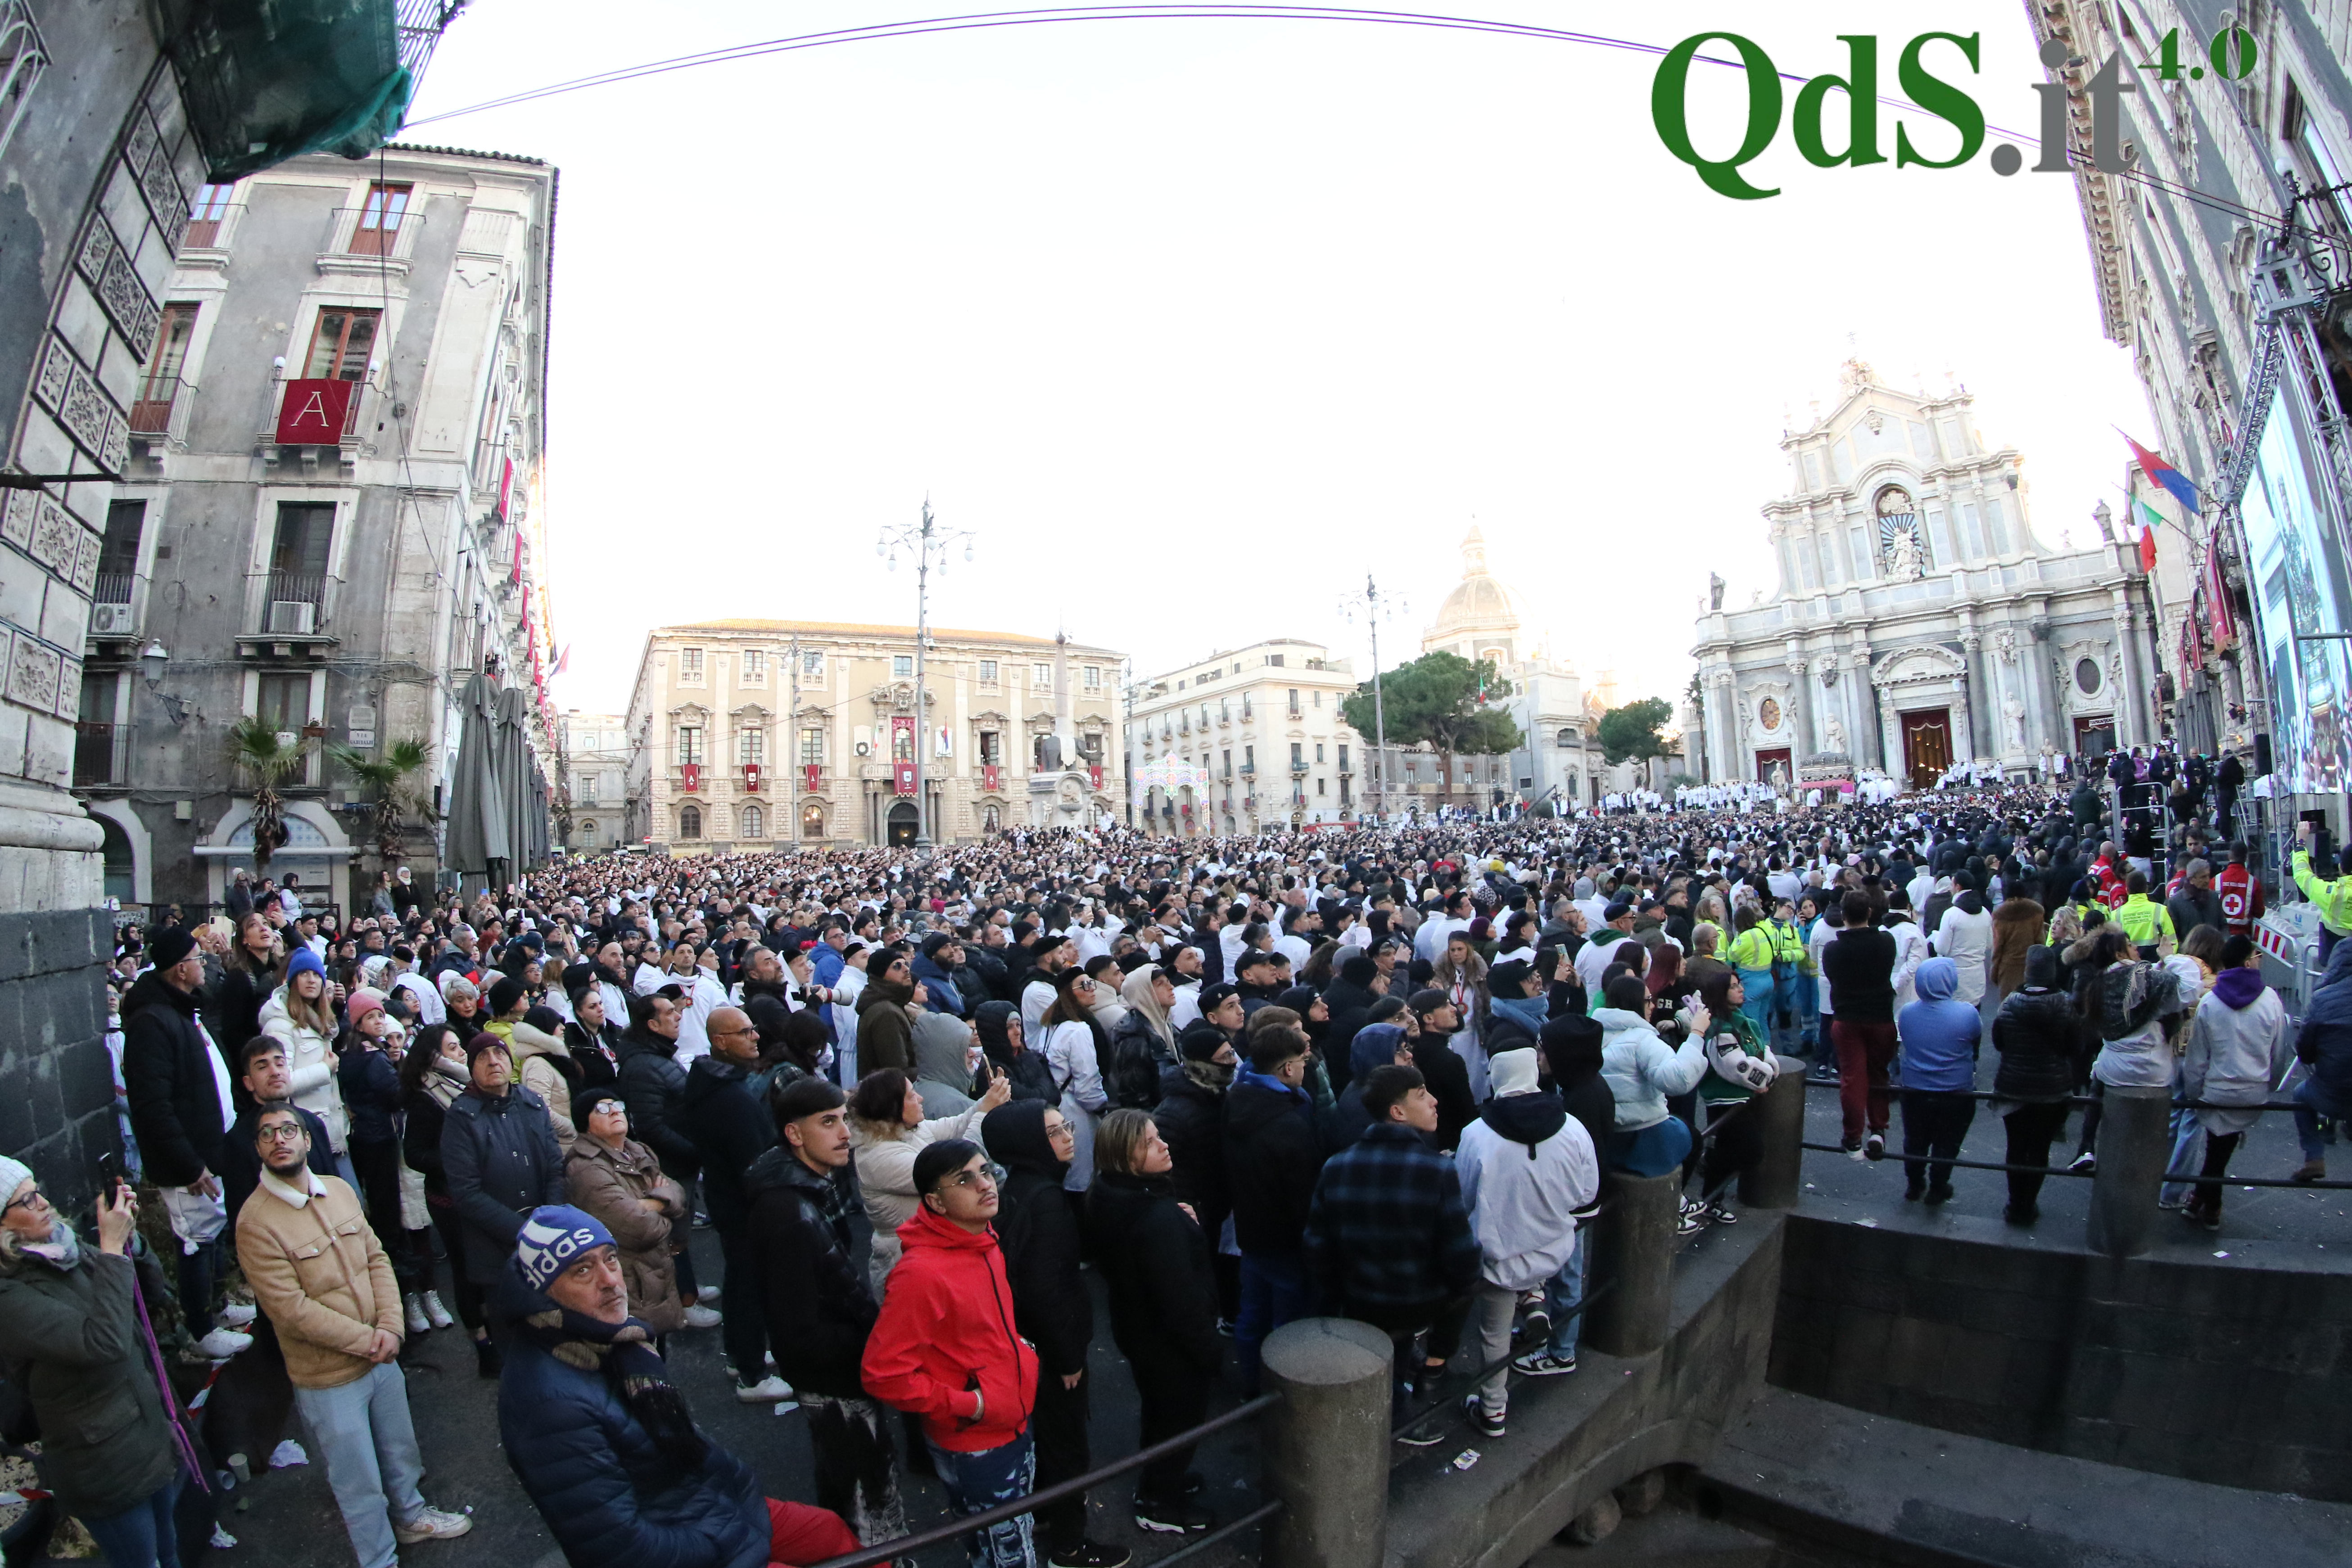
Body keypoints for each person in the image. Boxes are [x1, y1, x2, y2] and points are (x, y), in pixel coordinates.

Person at [496, 1206, 860, 1568]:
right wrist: (721, 1540)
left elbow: (689, 1450)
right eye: (582, 1270)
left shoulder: (601, 1333)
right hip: (689, 1543)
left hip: (702, 1509)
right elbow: (617, 1549)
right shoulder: (550, 1405)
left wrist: (739, 1495)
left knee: (829, 1531)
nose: (610, 1280)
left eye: (610, 1259)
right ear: (544, 1292)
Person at [237, 1106, 473, 1565]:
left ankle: (411, 1517)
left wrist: (390, 1325)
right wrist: (369, 1340)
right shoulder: (256, 1222)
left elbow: (377, 1259)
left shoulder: (341, 1192)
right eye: (268, 1134)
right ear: (258, 1149)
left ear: (308, 1140)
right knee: (357, 1480)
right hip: (329, 1375)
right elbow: (291, 1311)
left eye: (289, 1130)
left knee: (400, 1450)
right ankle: (378, 1558)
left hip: (380, 1354)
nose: (279, 1139)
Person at [0, 1156, 198, 1568]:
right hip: (103, 1464)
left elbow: (148, 1293)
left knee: (169, 1549)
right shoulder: (10, 1298)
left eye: (38, 1190)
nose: (43, 1202)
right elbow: (103, 1342)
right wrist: (110, 1248)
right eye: (27, 1199)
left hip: (145, 1432)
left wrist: (132, 1243)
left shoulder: (61, 1248)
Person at [861, 1140, 1043, 1568]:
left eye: (986, 1171)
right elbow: (883, 1373)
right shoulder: (922, 1273)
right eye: (965, 1179)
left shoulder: (982, 1239)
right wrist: (972, 1405)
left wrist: (1021, 1355)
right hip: (977, 1441)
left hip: (1009, 1420)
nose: (985, 1185)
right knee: (1006, 1556)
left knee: (1002, 1543)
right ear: (935, 1202)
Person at [747, 1077, 907, 1547]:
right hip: (835, 1378)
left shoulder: (798, 1192)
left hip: (837, 1370)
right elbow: (798, 1328)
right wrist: (869, 1347)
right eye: (828, 1123)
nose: (845, 1133)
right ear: (794, 1135)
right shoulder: (787, 1214)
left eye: (844, 1119)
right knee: (863, 1492)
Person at [982, 1101, 1127, 1568]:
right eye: (1053, 1132)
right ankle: (1069, 1543)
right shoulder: (1045, 1201)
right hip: (1050, 1350)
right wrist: (1067, 1358)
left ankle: (1045, 1513)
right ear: (1028, 1144)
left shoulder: (1021, 1189)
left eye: (1065, 1126)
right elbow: (1048, 1289)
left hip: (1027, 1345)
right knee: (1067, 1445)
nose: (1068, 1136)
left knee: (1046, 1440)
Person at [1303, 1063, 1479, 1432]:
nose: (1434, 1102)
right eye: (1421, 1095)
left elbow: (1317, 1245)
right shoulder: (1437, 1170)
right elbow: (1460, 1253)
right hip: (1418, 1300)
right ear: (1397, 1112)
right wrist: (1460, 1288)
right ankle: (1400, 1416)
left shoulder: (1336, 1166)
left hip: (1357, 1298)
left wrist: (1339, 1290)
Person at [1085, 1109, 1222, 1535]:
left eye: (1158, 1135)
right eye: (1149, 1142)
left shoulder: (1108, 1194)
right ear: (1127, 1158)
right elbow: (1180, 1299)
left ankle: (1165, 1478)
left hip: (1136, 1327)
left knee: (1162, 1412)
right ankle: (1159, 1499)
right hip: (1168, 1342)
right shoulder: (1155, 1217)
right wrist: (1210, 1351)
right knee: (1178, 1416)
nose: (1163, 1144)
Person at [1454, 1047, 1597, 1437]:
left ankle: (1493, 1409)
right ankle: (1534, 1299)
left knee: (1493, 1334)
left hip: (1498, 1259)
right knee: (1531, 1248)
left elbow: (1462, 1195)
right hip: (1554, 1247)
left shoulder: (1476, 1133)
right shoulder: (1572, 1125)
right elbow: (1588, 1191)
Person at [122, 927, 250, 1359]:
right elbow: (153, 1105)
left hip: (210, 1148)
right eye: (199, 958)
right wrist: (189, 1163)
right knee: (196, 1239)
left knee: (212, 1231)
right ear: (180, 969)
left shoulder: (178, 1010)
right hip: (188, 1163)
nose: (205, 964)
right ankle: (201, 1330)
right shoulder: (152, 1022)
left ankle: (217, 1307)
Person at [679, 1005, 788, 1403]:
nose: (755, 1036)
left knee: (744, 1282)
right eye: (745, 1032)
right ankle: (751, 1373)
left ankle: (746, 1352)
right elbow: (754, 1163)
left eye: (754, 1029)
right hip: (743, 1207)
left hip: (731, 1202)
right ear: (721, 1042)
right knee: (748, 1285)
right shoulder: (729, 1097)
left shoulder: (717, 1084)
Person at [441, 1033, 567, 1376]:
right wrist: (526, 1232)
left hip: (547, 1245)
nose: (493, 1061)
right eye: (482, 1057)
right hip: (497, 1253)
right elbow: (467, 1193)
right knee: (518, 1351)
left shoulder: (531, 1103)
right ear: (472, 1068)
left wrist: (550, 1220)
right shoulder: (462, 1118)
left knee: (558, 1338)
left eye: (500, 1054)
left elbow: (555, 1167)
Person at [1222, 1021, 1328, 1392]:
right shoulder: (1288, 1123)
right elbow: (1303, 1194)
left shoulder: (1236, 1099)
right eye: (1302, 1060)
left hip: (1251, 1231)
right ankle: (1284, 1397)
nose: (1305, 1066)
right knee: (1288, 1320)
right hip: (1286, 1239)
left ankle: (1253, 1387)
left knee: (1252, 1314)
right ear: (1286, 1068)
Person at [848, 1067, 1009, 1291]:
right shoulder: (877, 1156)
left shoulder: (908, 1129)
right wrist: (985, 1110)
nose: (920, 1098)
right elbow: (958, 1168)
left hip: (931, 1250)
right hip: (904, 1261)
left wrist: (989, 1099)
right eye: (912, 1096)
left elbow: (957, 1125)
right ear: (893, 1108)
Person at [564, 1092, 695, 1335]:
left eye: (617, 1105)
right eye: (602, 1109)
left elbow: (676, 1190)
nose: (615, 1111)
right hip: (629, 1283)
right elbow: (639, 1228)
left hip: (654, 1273)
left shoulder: (637, 1150)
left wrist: (653, 1204)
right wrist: (667, 1206)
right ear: (586, 1126)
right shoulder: (586, 1169)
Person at [1988, 944, 2077, 1225]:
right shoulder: (2066, 1004)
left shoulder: (2010, 1003)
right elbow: (2075, 1048)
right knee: (2040, 1149)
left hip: (2013, 1085)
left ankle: (2015, 1204)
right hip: (2052, 1088)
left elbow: (1999, 1043)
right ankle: (2029, 1204)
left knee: (2016, 1146)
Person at [1597, 972, 1708, 1175]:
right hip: (1646, 1137)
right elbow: (1678, 1080)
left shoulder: (1594, 1032)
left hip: (1606, 1137)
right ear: (1634, 1003)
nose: (1653, 1006)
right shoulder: (1643, 1039)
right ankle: (1677, 1200)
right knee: (1694, 1138)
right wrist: (1697, 1034)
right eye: (1648, 1000)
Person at [263, 945, 354, 1186]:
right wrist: (324, 1070)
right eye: (304, 974)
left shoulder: (322, 1023)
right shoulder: (279, 1026)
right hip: (305, 1132)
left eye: (316, 975)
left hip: (333, 1132)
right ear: (292, 981)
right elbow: (280, 1084)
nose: (311, 980)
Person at [1895, 958, 1980, 1204]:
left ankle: (1914, 1183)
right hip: (1956, 1091)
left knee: (1915, 1140)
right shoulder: (1967, 1013)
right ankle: (1938, 1185)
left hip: (1915, 1089)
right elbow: (1975, 1044)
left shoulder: (1908, 1013)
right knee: (1948, 1143)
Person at [1821, 892, 1898, 1160]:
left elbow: (1832, 978)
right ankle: (1878, 1129)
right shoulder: (1886, 942)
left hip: (1847, 1017)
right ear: (1869, 912)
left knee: (1853, 1078)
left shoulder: (1834, 949)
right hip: (1880, 1017)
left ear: (1843, 916)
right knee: (1879, 1074)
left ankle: (1853, 1136)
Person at [2291, 942, 2352, 1183]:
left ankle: (2314, 1157)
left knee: (2301, 1095)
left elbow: (2304, 1050)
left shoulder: (2322, 998)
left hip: (2332, 1092)